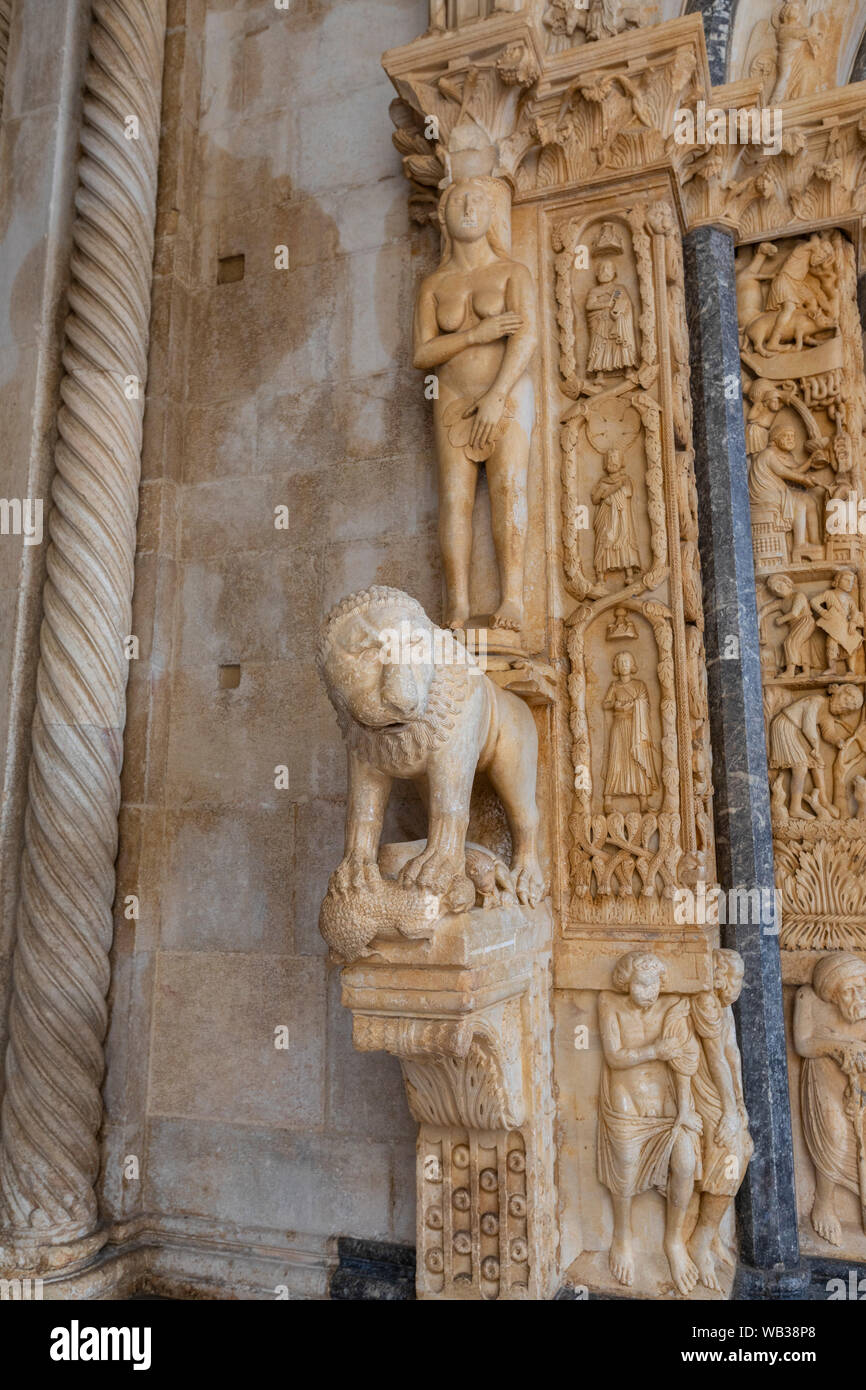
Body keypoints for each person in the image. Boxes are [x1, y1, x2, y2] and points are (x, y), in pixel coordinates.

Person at [414, 177, 538, 633]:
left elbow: (527, 337)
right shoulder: (435, 284)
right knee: (454, 499)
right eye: (458, 201)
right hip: (452, 396)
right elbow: (421, 354)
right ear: (444, 217)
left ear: (491, 218)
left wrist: (497, 394)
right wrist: (474, 335)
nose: (468, 206)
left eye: (478, 201)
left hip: (506, 392)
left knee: (509, 488)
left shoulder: (511, 273)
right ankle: (458, 608)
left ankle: (512, 598)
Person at [598, 951, 702, 1295]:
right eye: (642, 984)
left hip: (665, 1106)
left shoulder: (672, 1008)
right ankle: (622, 1236)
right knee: (625, 1165)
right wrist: (656, 1050)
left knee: (686, 1162)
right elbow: (614, 1056)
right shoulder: (609, 1004)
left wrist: (685, 1111)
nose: (649, 991)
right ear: (626, 981)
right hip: (625, 1102)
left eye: (655, 984)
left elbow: (686, 1061)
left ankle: (674, 1242)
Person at [794, 953, 866, 1247]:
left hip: (857, 1083)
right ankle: (823, 1202)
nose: (858, 996)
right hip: (822, 1077)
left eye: (861, 987)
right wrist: (840, 1046)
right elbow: (802, 1043)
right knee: (835, 1135)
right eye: (849, 991)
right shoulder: (807, 998)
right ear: (833, 992)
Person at [602, 652, 658, 813]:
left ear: (632, 664)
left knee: (637, 761)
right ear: (616, 667)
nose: (624, 665)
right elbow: (605, 704)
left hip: (636, 728)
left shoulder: (639, 685)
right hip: (619, 727)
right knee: (616, 760)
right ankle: (608, 799)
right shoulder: (614, 686)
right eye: (621, 662)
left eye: (627, 662)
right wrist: (617, 705)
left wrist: (634, 705)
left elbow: (645, 703)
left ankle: (644, 801)